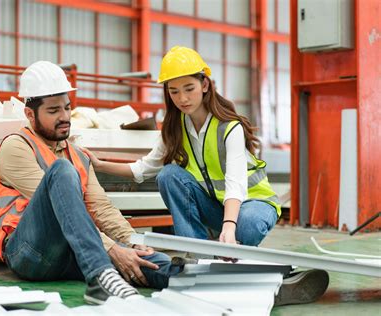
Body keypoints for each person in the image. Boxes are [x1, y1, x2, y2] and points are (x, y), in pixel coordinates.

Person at [84, 46, 329, 306]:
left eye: (188, 88)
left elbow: (235, 185)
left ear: (205, 85)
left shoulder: (229, 127)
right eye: (174, 91)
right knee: (168, 174)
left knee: (245, 224)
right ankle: (199, 257)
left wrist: (229, 228)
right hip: (219, 209)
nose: (182, 98)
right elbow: (143, 169)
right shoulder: (175, 127)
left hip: (253, 208)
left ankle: (231, 268)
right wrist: (99, 164)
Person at [0, 61, 181, 305]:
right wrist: (112, 250)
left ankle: (199, 280)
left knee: (150, 262)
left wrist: (133, 243)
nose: (65, 117)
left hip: (72, 251)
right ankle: (101, 275)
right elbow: (62, 209)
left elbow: (101, 208)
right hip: (28, 252)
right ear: (30, 114)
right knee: (61, 171)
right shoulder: (16, 146)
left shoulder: (78, 154)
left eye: (67, 108)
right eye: (53, 111)